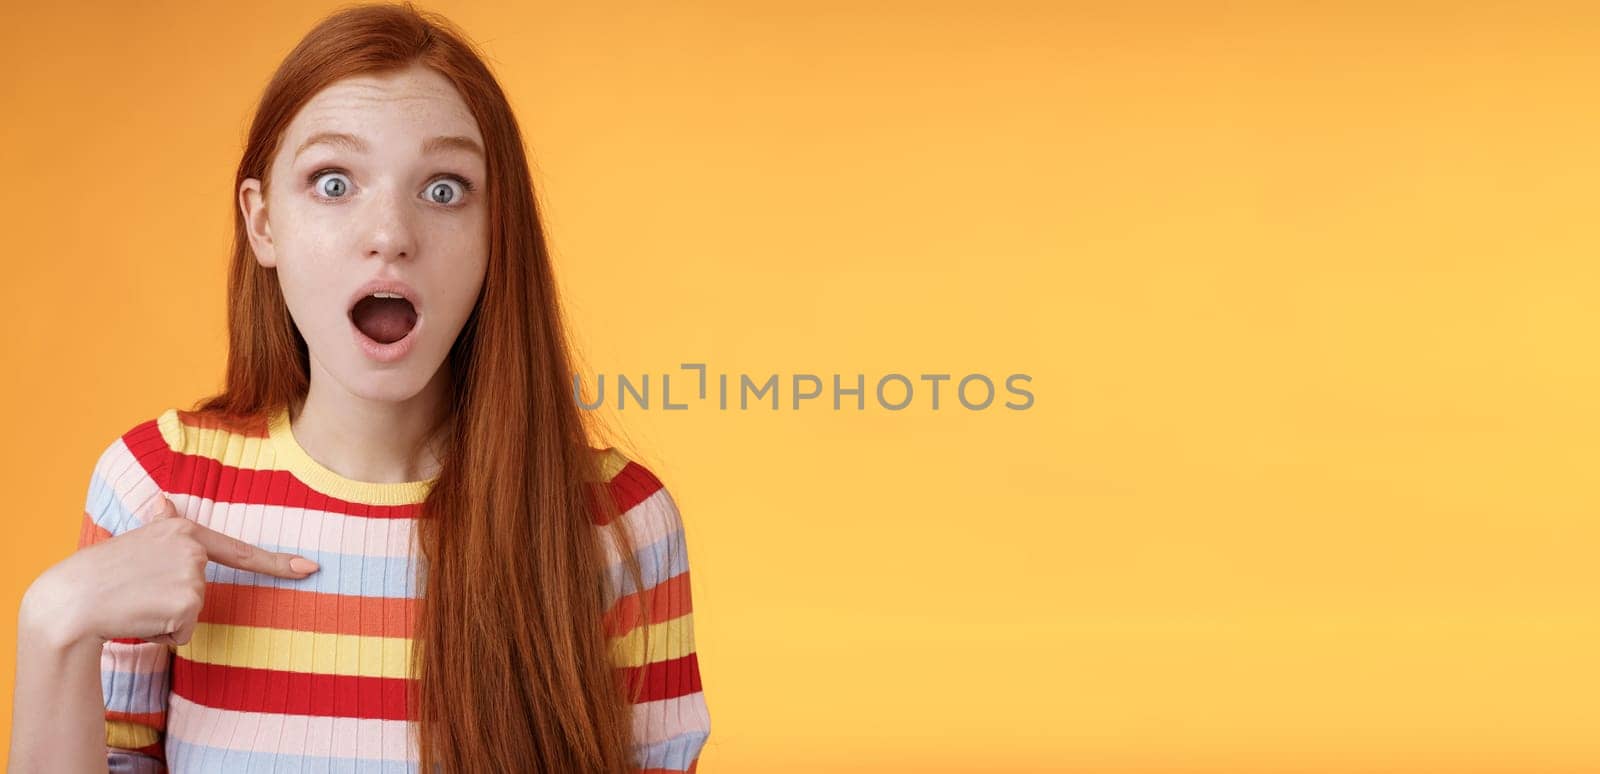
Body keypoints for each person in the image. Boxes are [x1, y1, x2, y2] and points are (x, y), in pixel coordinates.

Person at [7, 3, 710, 772]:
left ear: (496, 233)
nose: (391, 234)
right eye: (333, 181)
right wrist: (55, 624)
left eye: (444, 190)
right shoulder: (157, 489)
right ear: (263, 222)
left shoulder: (621, 526)